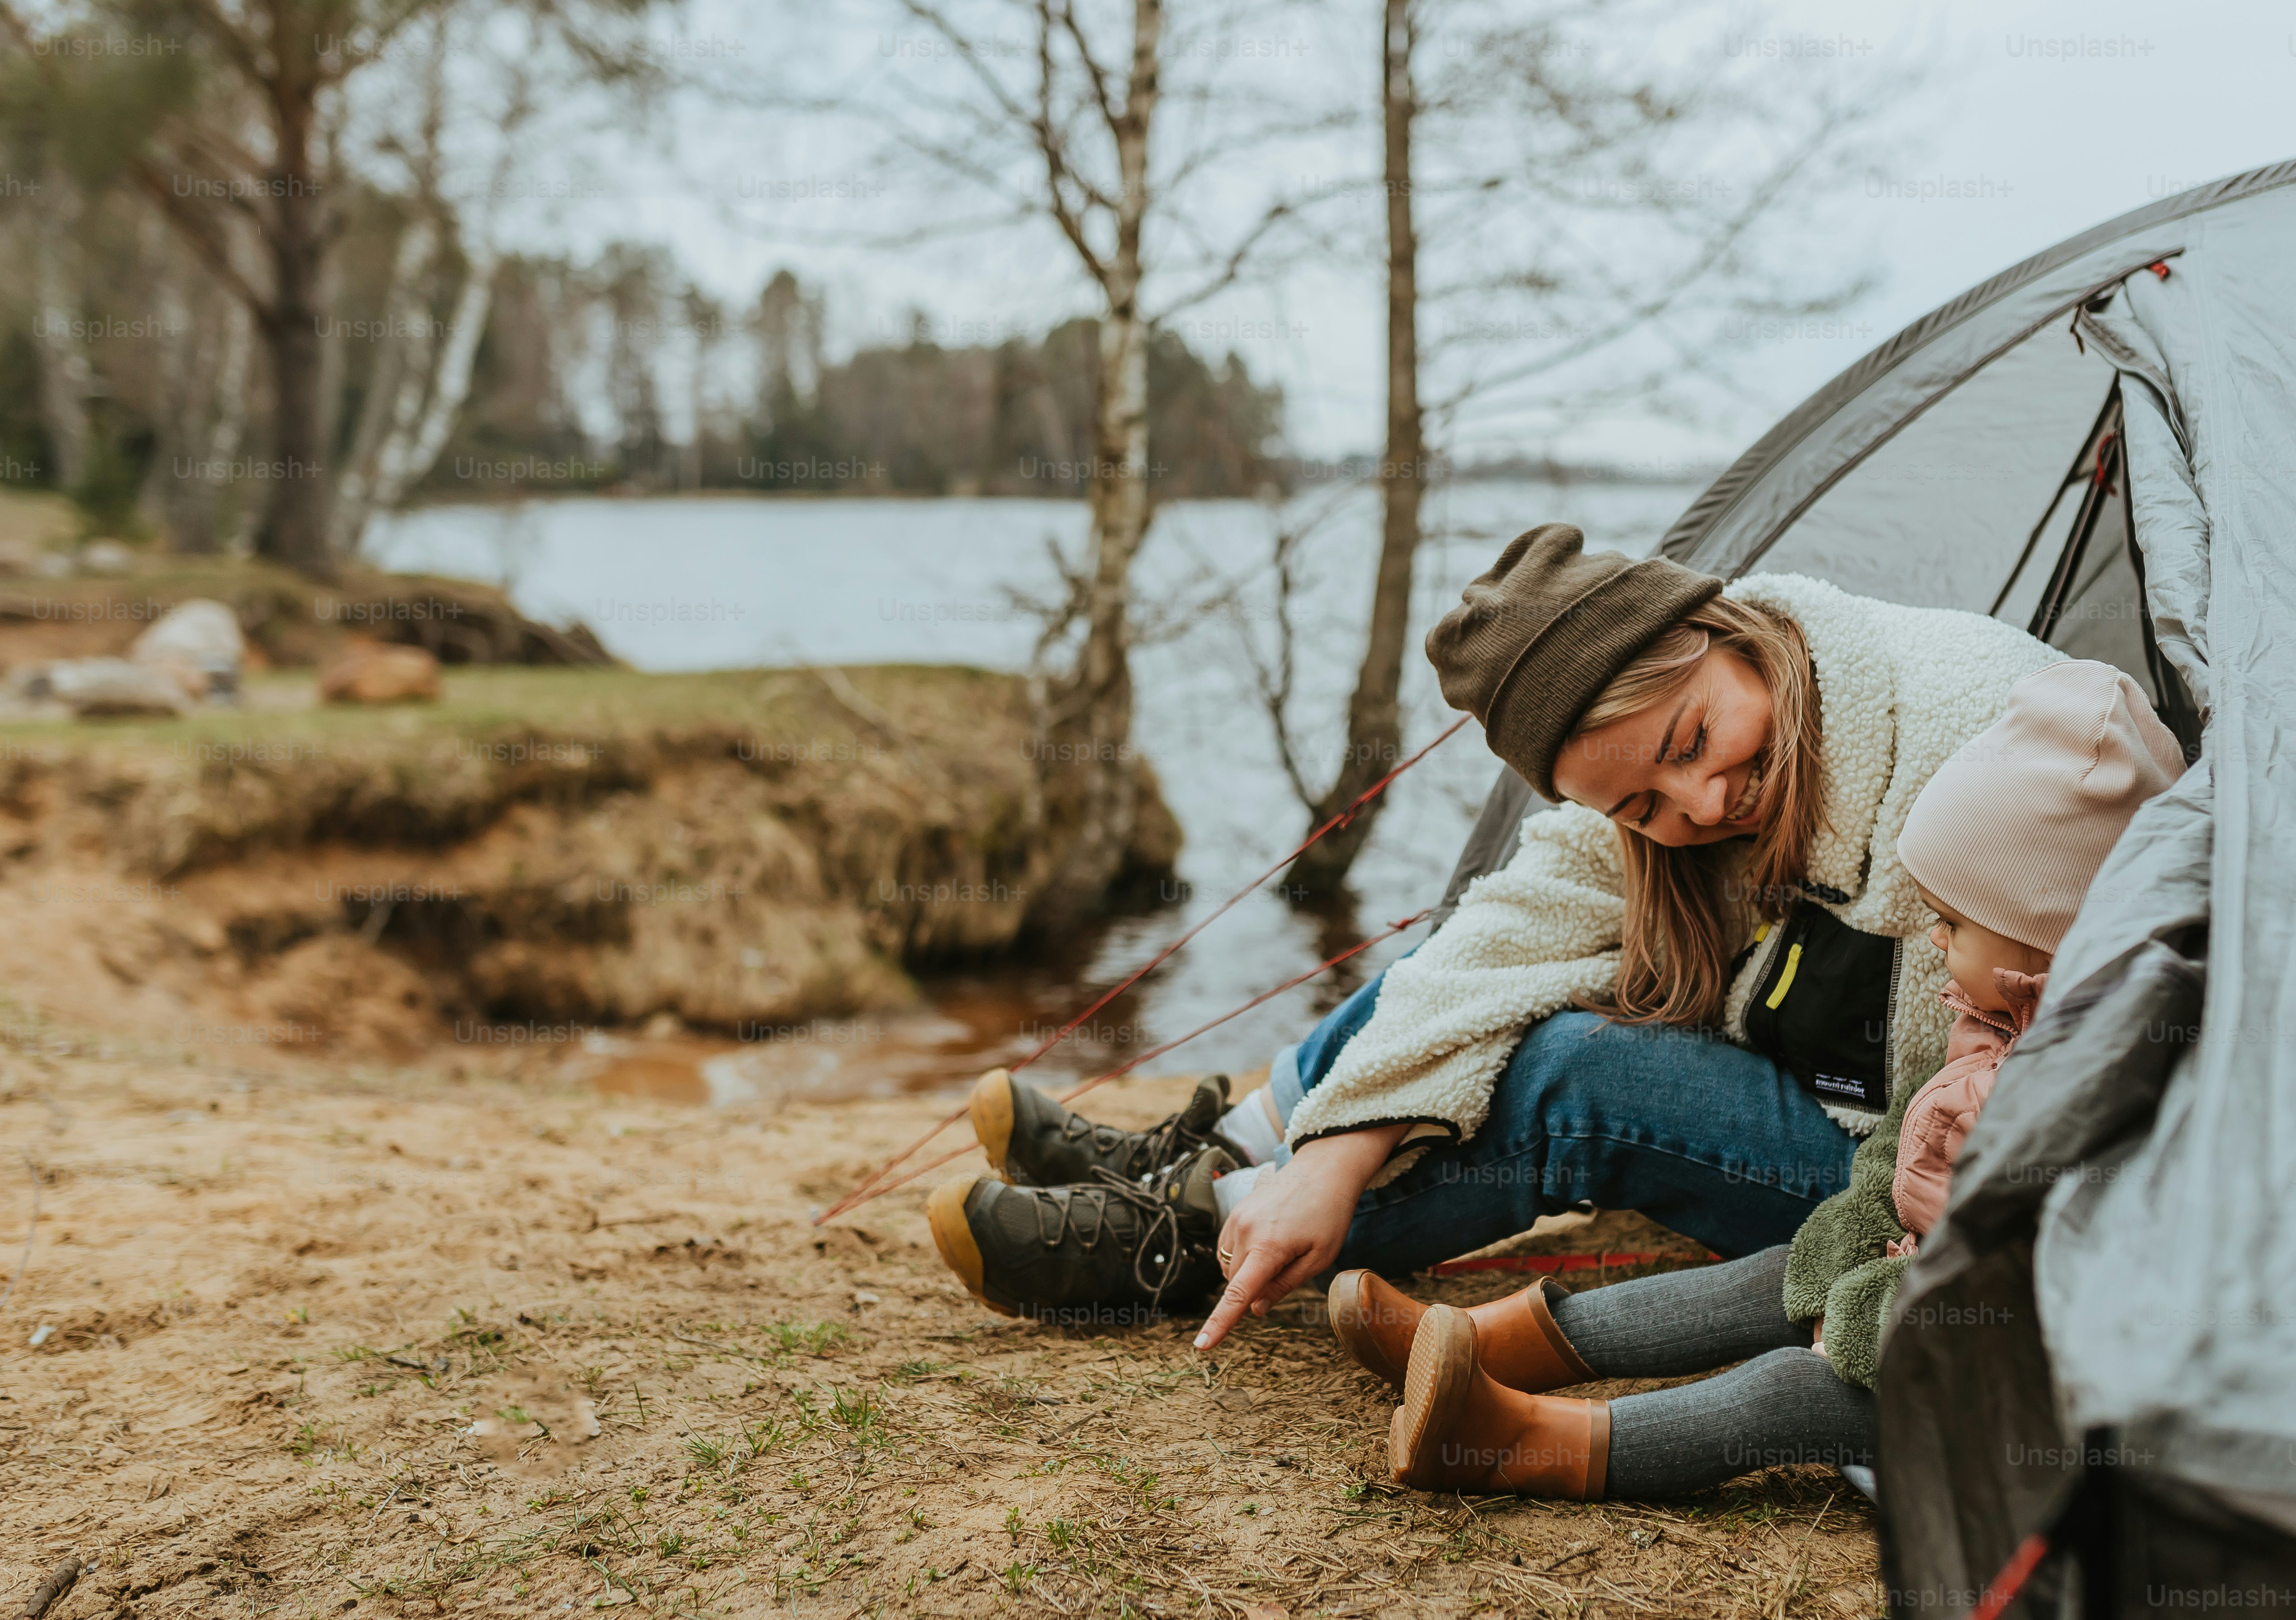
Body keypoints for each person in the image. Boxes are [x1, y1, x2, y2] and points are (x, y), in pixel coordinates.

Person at [924, 521, 2058, 1363]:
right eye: (1643, 808)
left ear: (1720, 634)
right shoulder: (1748, 729)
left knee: (1569, 1074)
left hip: (1928, 1183)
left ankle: (1188, 1235)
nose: (1701, 806)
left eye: (1694, 740)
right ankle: (1226, 1145)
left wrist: (1345, 1169)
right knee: (1482, 951)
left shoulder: (1966, 742)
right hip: (1853, 1111)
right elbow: (1509, 936)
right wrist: (1336, 1149)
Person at [1359, 658, 2185, 1497]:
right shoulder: (1999, 1020)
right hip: (1925, 1298)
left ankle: (1518, 1445)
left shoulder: (2114, 1091)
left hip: (2024, 1392)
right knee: (1780, 1274)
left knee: (1793, 1391)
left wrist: (1868, 1316)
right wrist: (1860, 1226)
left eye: (1951, 923)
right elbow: (1905, 1135)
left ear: (2048, 936)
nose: (1933, 941)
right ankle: (1482, 1342)